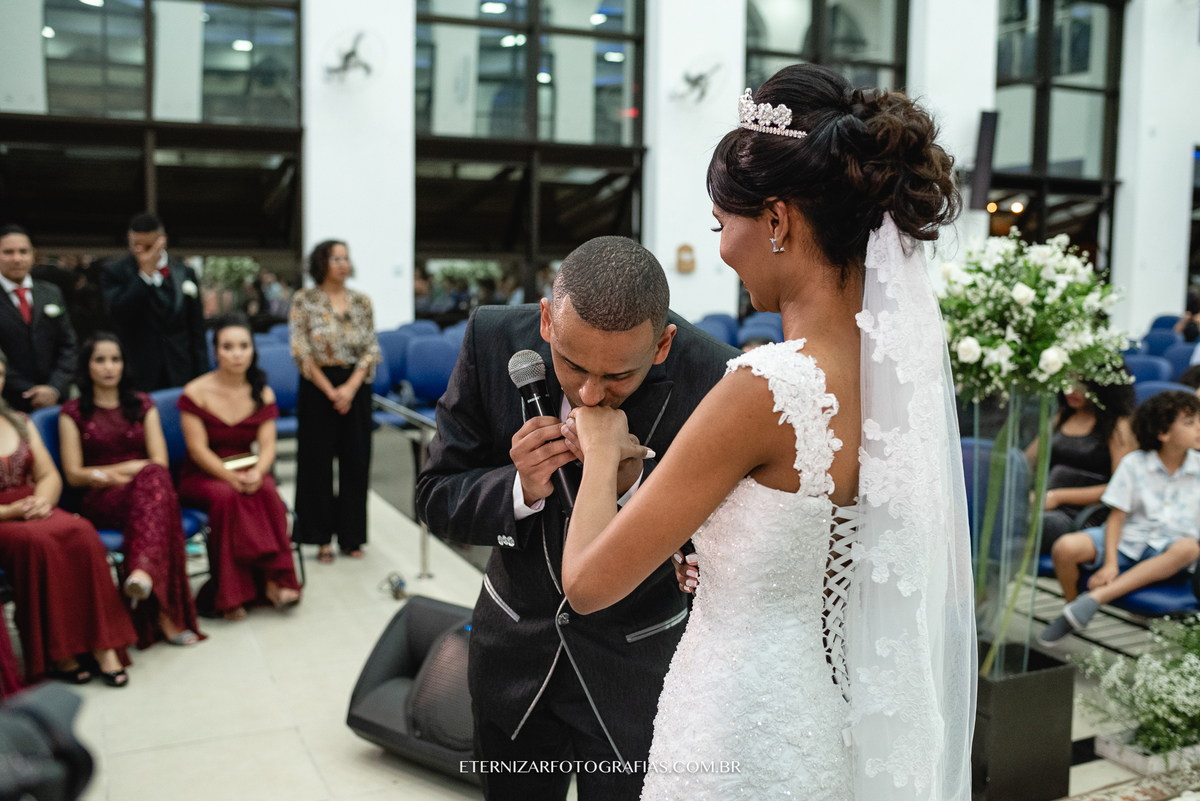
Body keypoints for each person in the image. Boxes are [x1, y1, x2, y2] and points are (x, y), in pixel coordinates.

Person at [558, 66, 975, 799]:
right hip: (834, 721)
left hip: (738, 723)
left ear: (776, 219)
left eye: (724, 225)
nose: (721, 247)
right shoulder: (895, 384)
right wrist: (724, 559)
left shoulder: (769, 387)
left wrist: (598, 451)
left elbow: (588, 583)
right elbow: (827, 554)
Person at [415, 236, 740, 800]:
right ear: (546, 320)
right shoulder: (493, 338)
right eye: (571, 364)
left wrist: (637, 489)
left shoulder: (712, 374)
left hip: (635, 671)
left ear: (662, 345)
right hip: (514, 658)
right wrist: (518, 488)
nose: (591, 393)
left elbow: (723, 540)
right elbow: (434, 496)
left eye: (619, 377)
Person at [59, 333, 202, 648]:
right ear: (87, 366)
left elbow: (160, 463)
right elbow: (74, 475)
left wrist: (120, 473)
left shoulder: (141, 404)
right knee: (155, 488)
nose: (109, 367)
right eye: (100, 360)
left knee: (153, 483)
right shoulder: (72, 413)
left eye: (115, 359)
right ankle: (162, 608)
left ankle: (143, 575)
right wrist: (125, 471)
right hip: (103, 500)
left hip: (147, 491)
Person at [0, 353, 135, 686]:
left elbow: (47, 473)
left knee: (81, 531)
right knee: (40, 543)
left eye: (0, 372)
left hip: (33, 504)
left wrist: (43, 500)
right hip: (5, 517)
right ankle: (61, 652)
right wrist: (11, 512)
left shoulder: (18, 420)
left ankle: (103, 645)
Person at [1040, 391, 1200, 644]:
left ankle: (1093, 601)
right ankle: (1072, 610)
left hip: (1169, 551)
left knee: (1189, 548)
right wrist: (1110, 564)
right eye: (1190, 423)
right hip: (1128, 539)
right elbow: (1116, 519)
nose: (1199, 428)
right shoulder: (1134, 464)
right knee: (1065, 547)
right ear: (1163, 433)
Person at [178, 314, 301, 620]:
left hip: (248, 468)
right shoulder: (195, 392)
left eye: (243, 346)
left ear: (252, 351)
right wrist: (230, 478)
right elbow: (197, 448)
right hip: (203, 473)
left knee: (268, 490)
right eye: (228, 347)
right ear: (216, 351)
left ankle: (275, 580)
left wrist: (259, 472)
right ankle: (232, 594)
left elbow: (268, 445)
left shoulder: (262, 391)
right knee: (227, 497)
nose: (236, 354)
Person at [289, 240, 381, 562]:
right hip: (318, 387)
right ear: (321, 263)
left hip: (355, 387)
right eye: (335, 258)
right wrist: (331, 391)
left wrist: (350, 387)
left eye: (346, 258)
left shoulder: (361, 301)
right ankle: (320, 537)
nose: (343, 263)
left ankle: (352, 537)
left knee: (356, 462)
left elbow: (371, 348)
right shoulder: (305, 300)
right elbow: (300, 349)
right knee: (317, 464)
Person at [1025, 379, 1137, 553]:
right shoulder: (1063, 415)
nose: (1070, 389)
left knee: (1034, 525)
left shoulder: (1117, 425)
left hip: (1083, 514)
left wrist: (1057, 497)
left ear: (1103, 385)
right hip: (1045, 503)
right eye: (1067, 380)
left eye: (1081, 384)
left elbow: (1120, 488)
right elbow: (1028, 461)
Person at [102, 212, 208, 392]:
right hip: (138, 371)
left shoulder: (185, 272)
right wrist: (144, 276)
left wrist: (202, 377)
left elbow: (196, 329)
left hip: (181, 367)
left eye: (149, 246)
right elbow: (118, 315)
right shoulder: (114, 271)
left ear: (162, 240)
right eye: (136, 245)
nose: (141, 252)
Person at [0, 226, 76, 412]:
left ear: (33, 254)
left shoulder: (51, 292)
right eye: (8, 252)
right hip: (9, 402)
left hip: (56, 400)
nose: (17, 258)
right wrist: (29, 391)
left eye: (23, 251)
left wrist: (54, 388)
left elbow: (69, 345)